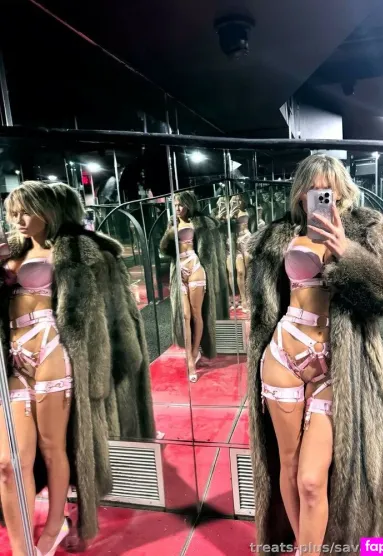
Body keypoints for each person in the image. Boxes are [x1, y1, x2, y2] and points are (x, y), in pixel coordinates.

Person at [246, 154, 383, 554]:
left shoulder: (365, 230)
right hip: (284, 356)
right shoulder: (277, 236)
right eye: (313, 189)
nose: (321, 196)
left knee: (311, 480)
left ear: (341, 192)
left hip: (338, 366)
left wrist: (346, 252)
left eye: (329, 190)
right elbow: (264, 305)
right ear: (301, 194)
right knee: (287, 466)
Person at [0, 181, 155, 556]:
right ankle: (21, 548)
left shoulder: (79, 251)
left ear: (49, 211)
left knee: (54, 448)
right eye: (14, 212)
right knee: (8, 463)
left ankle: (54, 526)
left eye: (27, 211)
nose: (19, 219)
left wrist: (106, 374)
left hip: (53, 353)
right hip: (12, 358)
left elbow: (110, 319)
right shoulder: (10, 251)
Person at [160, 191, 228, 382]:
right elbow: (165, 250)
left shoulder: (201, 223)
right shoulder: (172, 223)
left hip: (196, 267)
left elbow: (211, 251)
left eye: (181, 204)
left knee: (197, 314)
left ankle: (194, 352)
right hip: (179, 269)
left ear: (189, 205)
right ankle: (189, 356)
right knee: (185, 315)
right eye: (175, 204)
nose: (177, 208)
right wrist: (170, 231)